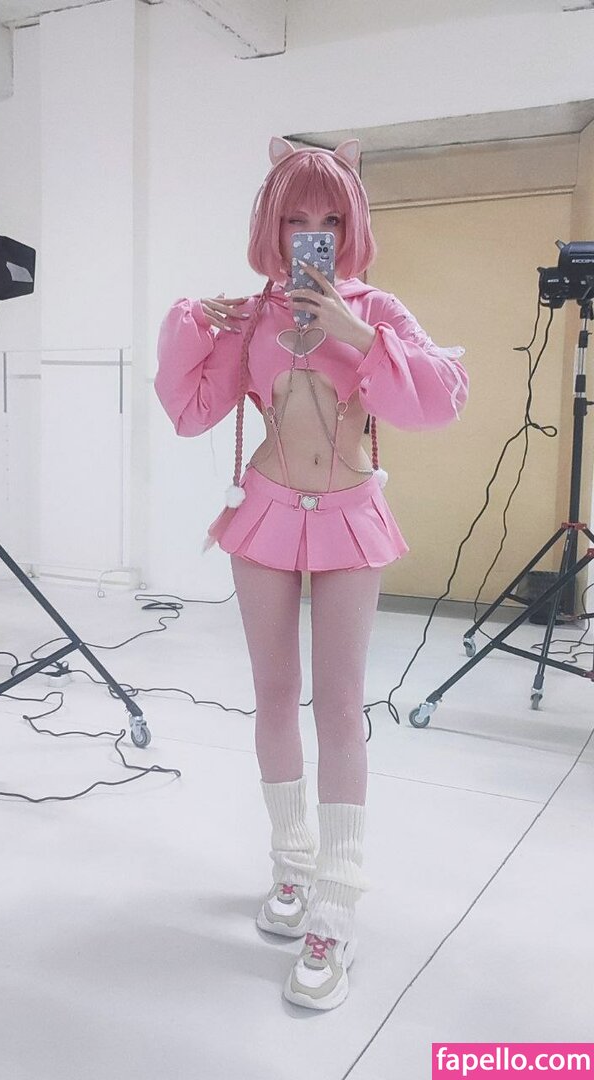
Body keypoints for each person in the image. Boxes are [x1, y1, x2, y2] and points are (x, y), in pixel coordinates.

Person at [154, 135, 469, 1011]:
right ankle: (290, 866)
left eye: (330, 218)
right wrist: (193, 324)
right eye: (296, 218)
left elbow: (440, 395)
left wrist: (355, 331)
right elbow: (192, 410)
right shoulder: (253, 315)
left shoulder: (379, 309)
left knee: (339, 704)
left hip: (349, 515)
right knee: (272, 693)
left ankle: (337, 900)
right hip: (263, 510)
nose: (313, 234)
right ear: (273, 223)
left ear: (352, 222)